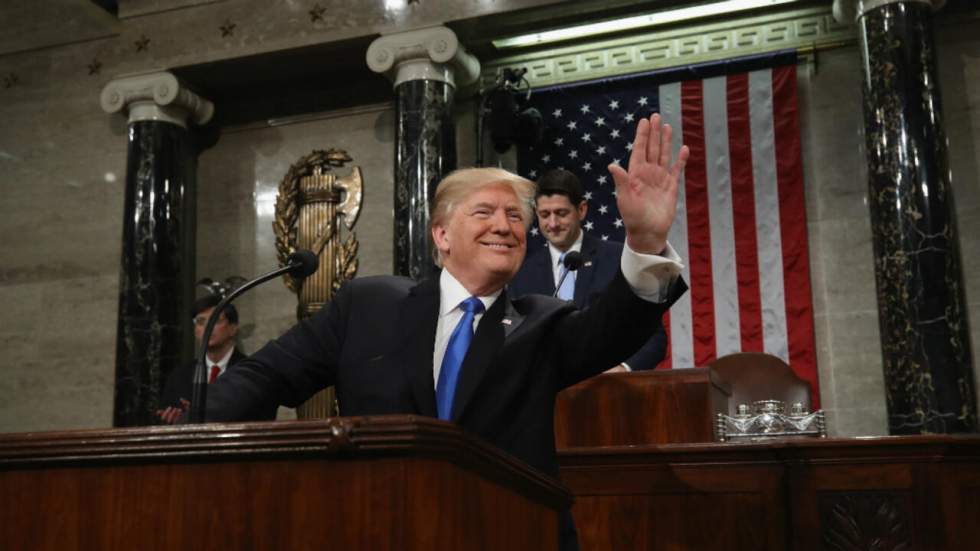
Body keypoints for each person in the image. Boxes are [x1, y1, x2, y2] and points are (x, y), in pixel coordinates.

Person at [203, 114, 690, 550]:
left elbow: (614, 329)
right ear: (441, 235)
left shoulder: (540, 323)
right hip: (380, 530)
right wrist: (194, 447)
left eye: (516, 217)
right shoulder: (367, 307)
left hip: (508, 533)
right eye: (485, 212)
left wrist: (645, 240)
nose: (504, 225)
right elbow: (263, 377)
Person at [509, 168, 671, 372]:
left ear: (582, 210)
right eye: (544, 215)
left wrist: (623, 369)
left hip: (613, 391)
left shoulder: (619, 259)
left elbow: (654, 337)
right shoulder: (522, 272)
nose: (553, 223)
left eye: (561, 213)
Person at [157, 294, 276, 423]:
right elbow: (162, 420)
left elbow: (264, 418)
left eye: (215, 321)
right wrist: (176, 419)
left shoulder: (252, 372)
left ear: (233, 328)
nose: (208, 327)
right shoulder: (179, 376)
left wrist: (209, 413)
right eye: (200, 322)